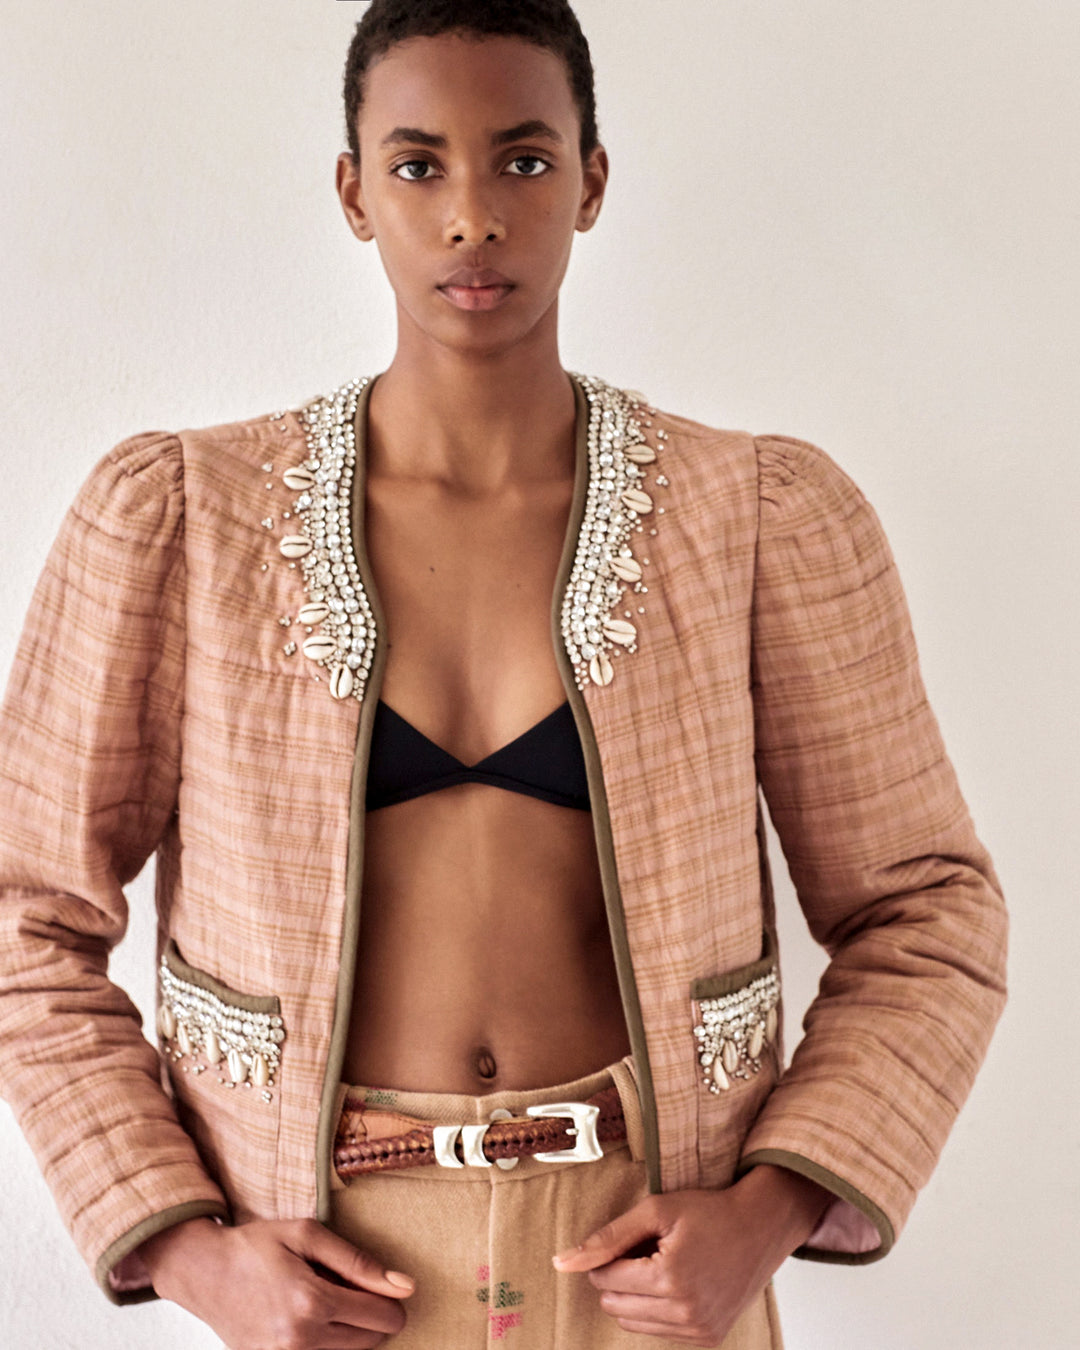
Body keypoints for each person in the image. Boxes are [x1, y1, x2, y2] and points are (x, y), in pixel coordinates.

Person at [0, 2, 1008, 1347]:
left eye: (524, 159)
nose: (472, 215)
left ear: (593, 180)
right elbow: (23, 917)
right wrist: (192, 1252)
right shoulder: (180, 520)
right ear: (354, 192)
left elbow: (928, 915)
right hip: (321, 1280)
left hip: (655, 1264)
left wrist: (767, 1211)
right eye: (419, 164)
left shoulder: (757, 516)